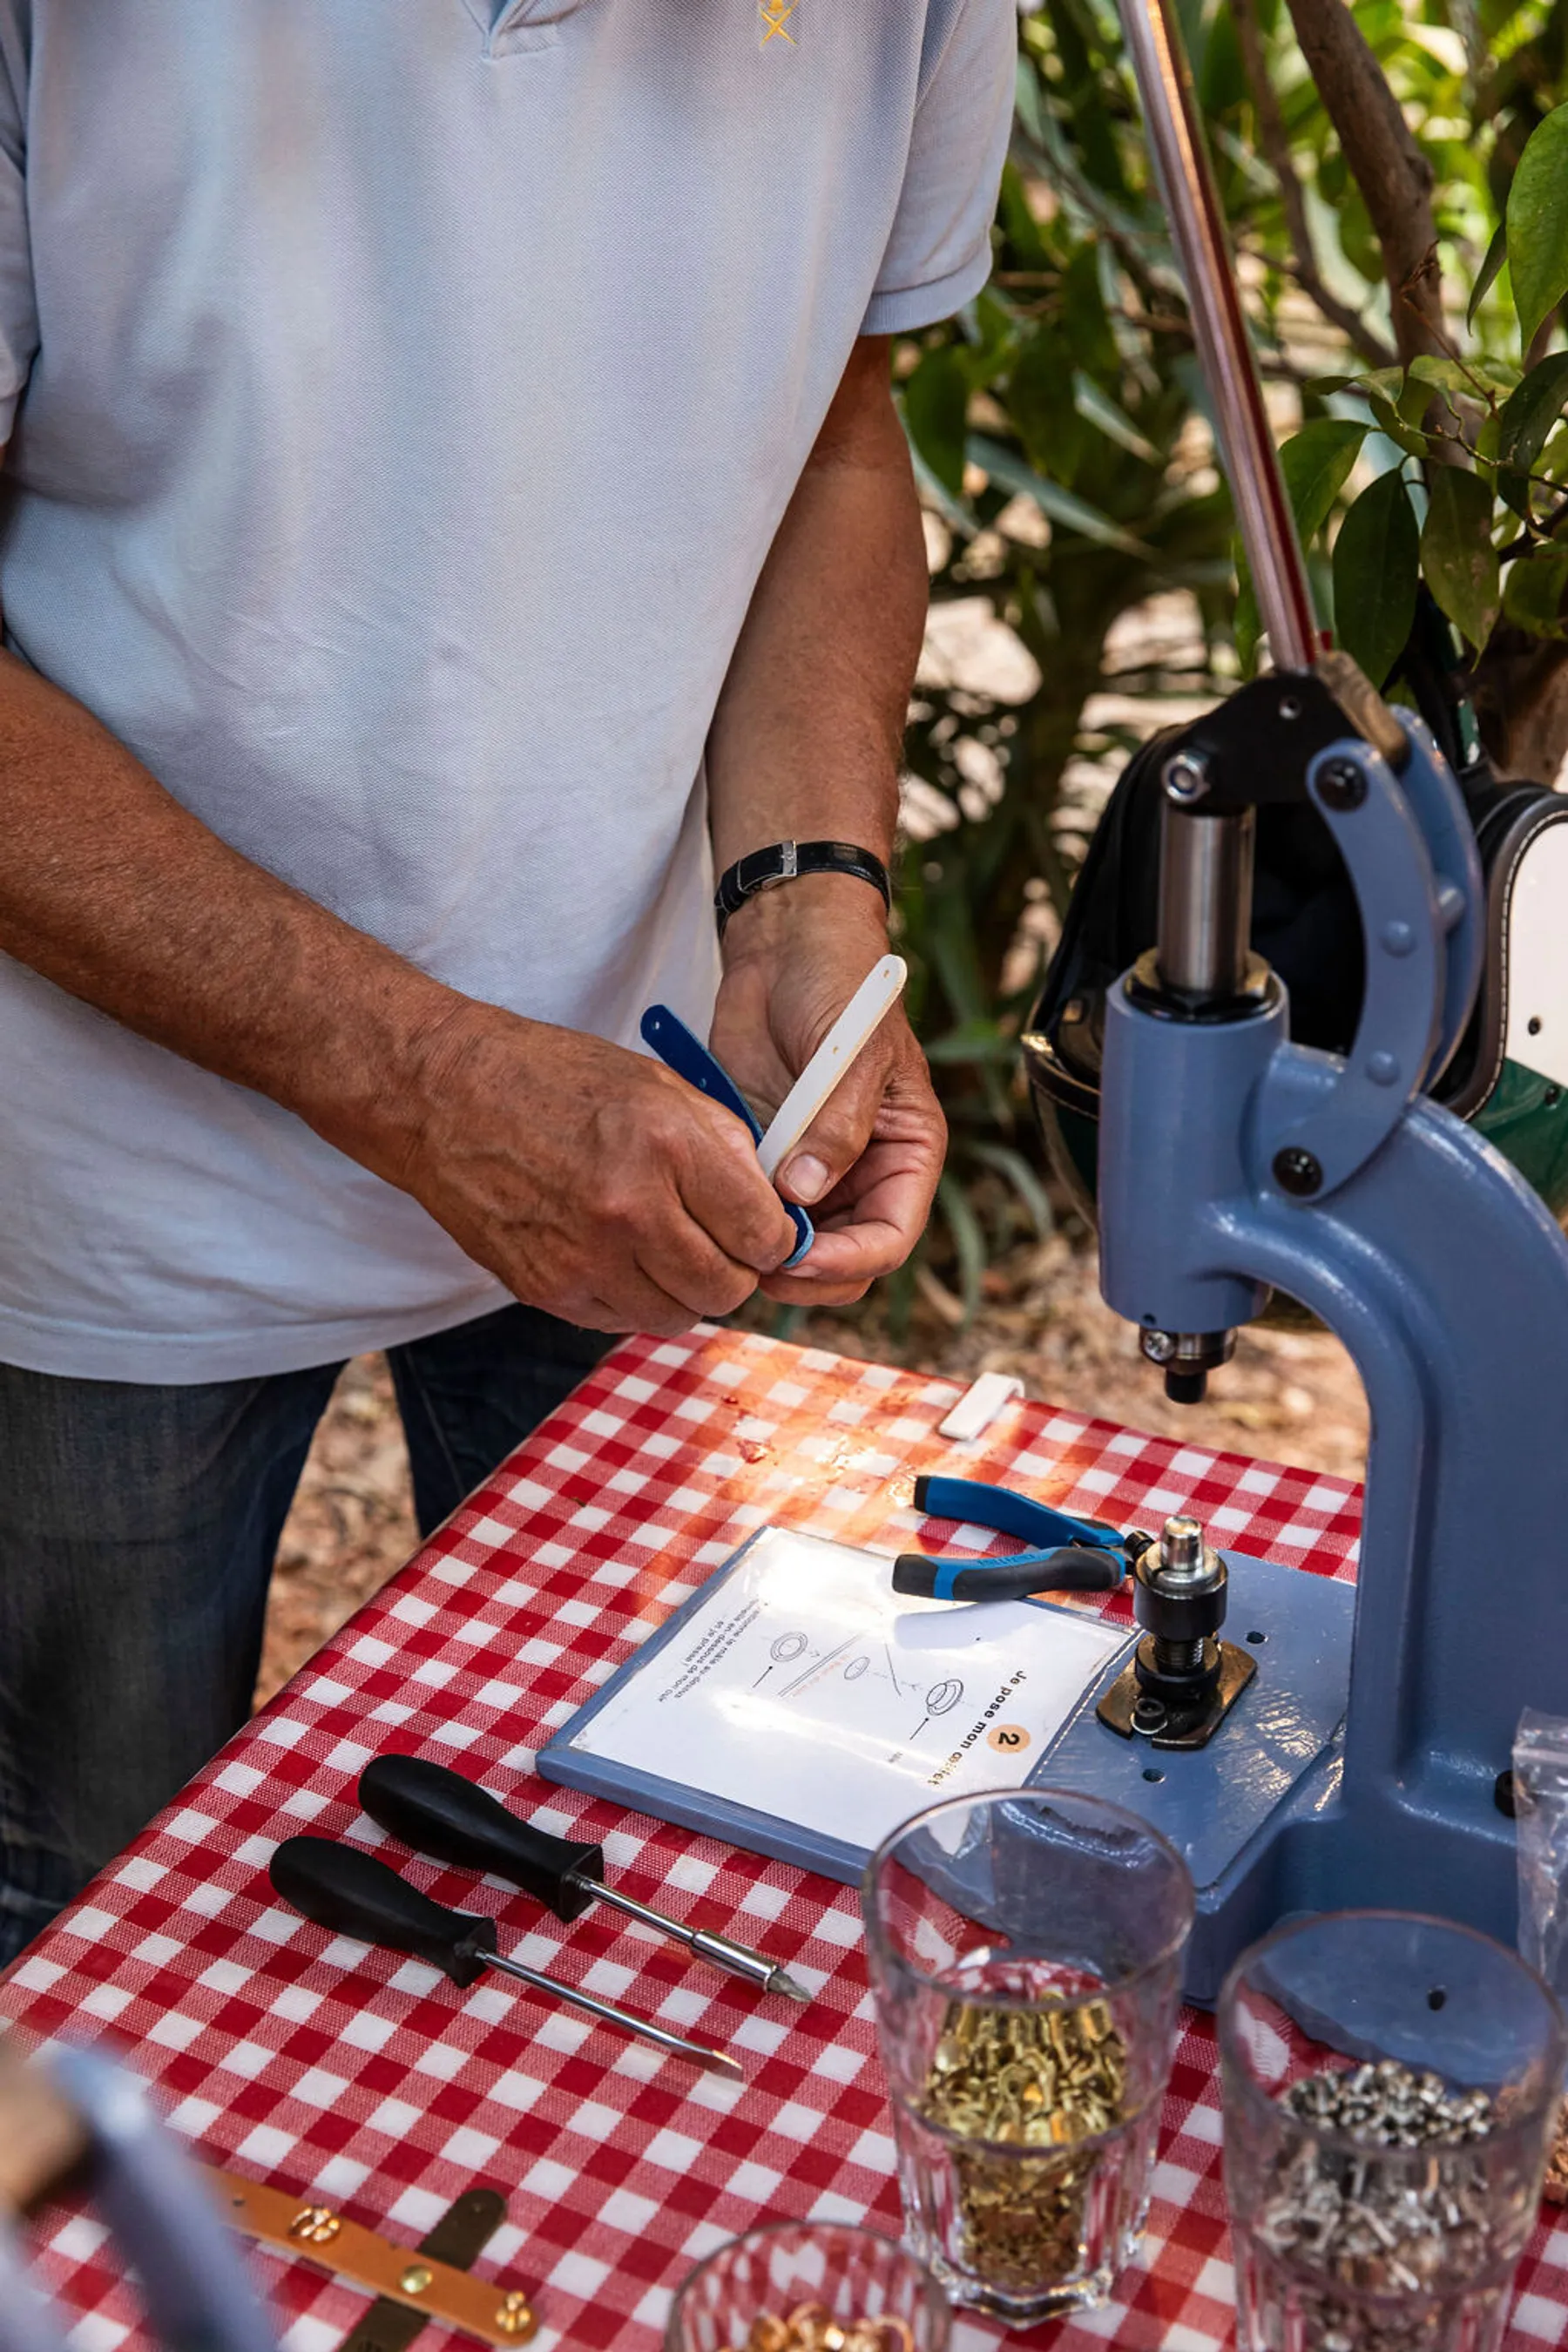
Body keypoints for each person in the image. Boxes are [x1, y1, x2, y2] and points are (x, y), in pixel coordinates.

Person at [0, 0, 1017, 1963]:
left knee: (624, 1867)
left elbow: (834, 412)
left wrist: (807, 886)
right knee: (86, 1918)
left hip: (639, 1112)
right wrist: (416, 1074)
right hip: (94, 1173)